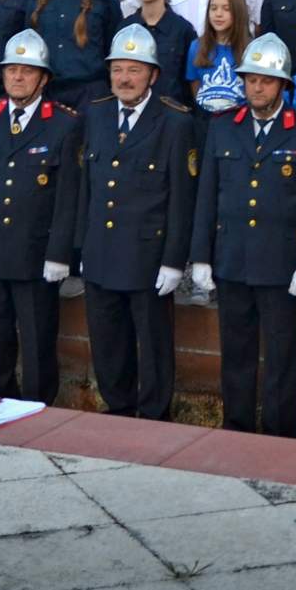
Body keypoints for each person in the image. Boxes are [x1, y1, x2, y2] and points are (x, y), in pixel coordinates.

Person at [187, 35, 296, 437]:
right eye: (251, 80)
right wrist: (201, 256)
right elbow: (207, 195)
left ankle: (281, 436)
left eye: (267, 81)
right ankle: (236, 429)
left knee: (282, 358)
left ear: (284, 84)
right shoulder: (222, 127)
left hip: (282, 266)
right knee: (235, 354)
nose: (257, 87)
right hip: (232, 260)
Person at [66, 25, 199, 419]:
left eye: (134, 70)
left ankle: (155, 414)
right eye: (118, 69)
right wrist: (82, 246)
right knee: (107, 339)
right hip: (102, 251)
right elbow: (86, 187)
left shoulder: (175, 122)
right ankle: (118, 406)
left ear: (153, 75)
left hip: (147, 253)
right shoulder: (96, 113)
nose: (124, 78)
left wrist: (175, 260)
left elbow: (181, 197)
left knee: (153, 343)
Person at [0, 31, 79, 402]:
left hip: (35, 253)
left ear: (44, 78)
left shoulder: (64, 123)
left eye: (27, 71)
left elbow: (68, 195)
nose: (18, 77)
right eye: (12, 70)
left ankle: (39, 406)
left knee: (38, 338)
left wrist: (60, 252)